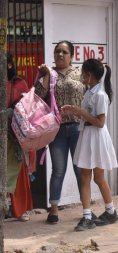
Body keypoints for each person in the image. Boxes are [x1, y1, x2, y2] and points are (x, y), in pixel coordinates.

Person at [62, 58, 118, 232]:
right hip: (88, 137)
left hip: (97, 138)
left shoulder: (100, 95)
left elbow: (100, 123)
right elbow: (88, 117)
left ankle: (99, 214)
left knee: (97, 178)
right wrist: (75, 111)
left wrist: (80, 112)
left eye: (83, 73)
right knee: (87, 177)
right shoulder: (89, 92)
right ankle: (106, 212)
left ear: (90, 74)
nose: (81, 76)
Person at [35, 40, 85, 224]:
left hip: (79, 128)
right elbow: (38, 96)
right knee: (58, 170)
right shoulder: (50, 73)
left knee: (81, 170)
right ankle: (54, 209)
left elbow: (90, 94)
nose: (60, 55)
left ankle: (86, 209)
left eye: (64, 52)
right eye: (57, 51)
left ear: (72, 56)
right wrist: (46, 75)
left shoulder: (80, 73)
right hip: (58, 131)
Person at [6, 53, 35, 222]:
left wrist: (12, 112)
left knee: (18, 174)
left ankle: (20, 209)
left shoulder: (20, 83)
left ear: (9, 65)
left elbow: (28, 108)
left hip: (15, 136)